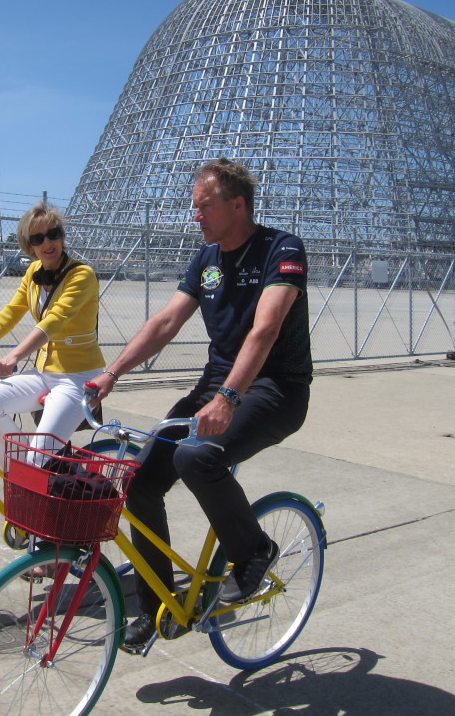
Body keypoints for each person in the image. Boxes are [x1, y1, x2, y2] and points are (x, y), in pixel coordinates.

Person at [90, 158, 313, 652]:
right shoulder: (207, 258)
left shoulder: (283, 248)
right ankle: (157, 607)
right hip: (218, 384)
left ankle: (254, 551)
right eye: (194, 207)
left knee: (198, 455)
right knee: (139, 482)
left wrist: (229, 398)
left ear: (238, 205)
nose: (196, 215)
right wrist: (111, 373)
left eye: (204, 206)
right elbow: (166, 322)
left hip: (276, 386)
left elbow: (267, 327)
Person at [0, 202, 105, 464]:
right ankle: (23, 472)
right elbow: (10, 313)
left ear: (62, 236)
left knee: (38, 458)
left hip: (77, 378)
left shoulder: (82, 275)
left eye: (54, 233)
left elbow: (56, 319)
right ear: (28, 244)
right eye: (38, 238)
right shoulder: (33, 272)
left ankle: (30, 472)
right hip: (44, 373)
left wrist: (13, 357)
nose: (48, 242)